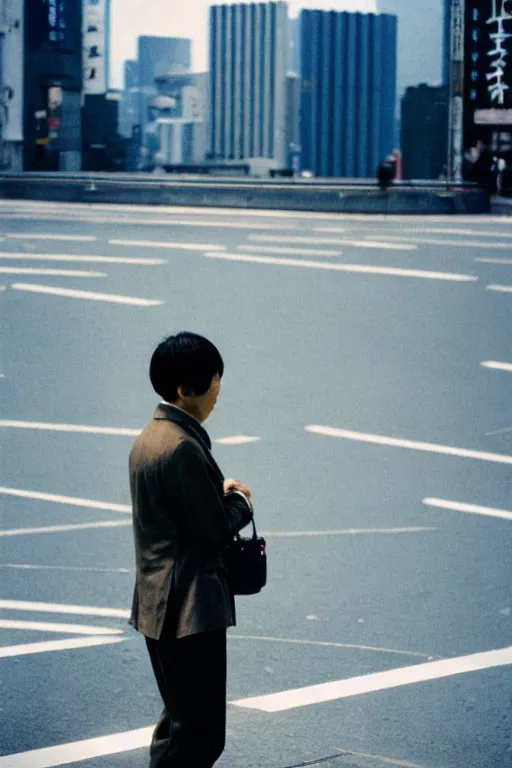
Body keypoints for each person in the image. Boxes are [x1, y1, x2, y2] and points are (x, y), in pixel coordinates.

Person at [129, 332, 254, 768]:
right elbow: (215, 526)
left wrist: (209, 491)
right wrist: (239, 502)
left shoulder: (152, 436)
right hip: (190, 607)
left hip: (156, 600)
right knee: (200, 737)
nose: (218, 390)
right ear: (187, 388)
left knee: (178, 725)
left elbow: (174, 507)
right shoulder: (182, 446)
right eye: (215, 379)